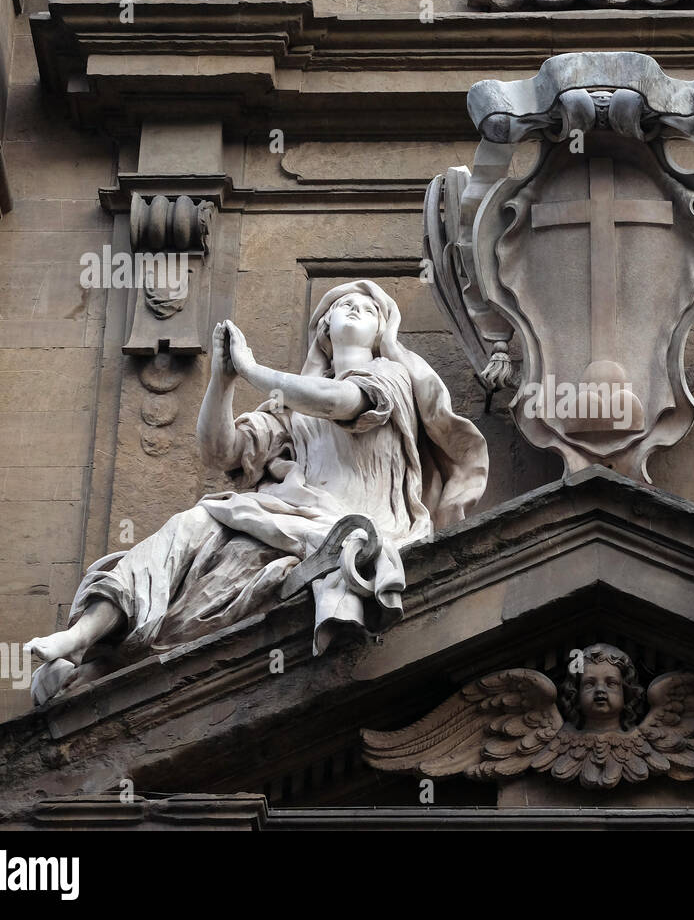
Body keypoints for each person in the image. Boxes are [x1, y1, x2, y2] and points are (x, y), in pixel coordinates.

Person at [25, 280, 489, 703]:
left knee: (227, 582)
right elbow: (221, 451)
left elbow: (338, 402)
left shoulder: (391, 379)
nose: (350, 308)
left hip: (352, 526)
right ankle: (82, 636)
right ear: (323, 328)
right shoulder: (291, 409)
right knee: (191, 522)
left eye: (364, 308)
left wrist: (252, 369)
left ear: (380, 330)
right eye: (341, 305)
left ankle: (103, 669)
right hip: (286, 515)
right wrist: (222, 381)